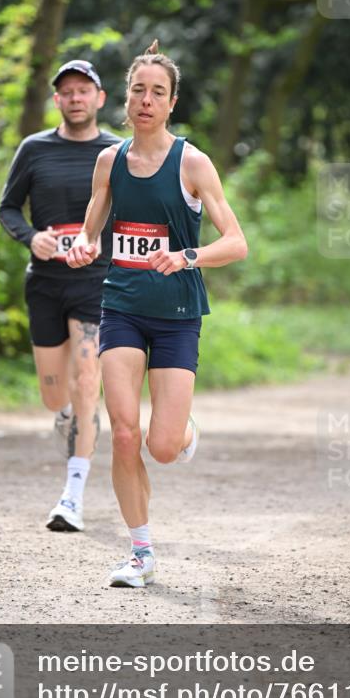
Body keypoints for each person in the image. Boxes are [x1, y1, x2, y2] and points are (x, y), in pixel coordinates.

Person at [65, 40, 247, 587]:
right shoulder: (109, 160)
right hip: (121, 307)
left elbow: (236, 242)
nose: (146, 100)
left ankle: (183, 430)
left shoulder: (192, 162)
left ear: (172, 103)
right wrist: (80, 245)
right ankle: (140, 553)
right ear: (126, 98)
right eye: (138, 90)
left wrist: (187, 254)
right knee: (123, 434)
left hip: (176, 313)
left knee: (160, 447)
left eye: (158, 92)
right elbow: (91, 229)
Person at [0, 59, 121, 530]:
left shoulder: (116, 151)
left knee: (88, 381)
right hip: (46, 282)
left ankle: (72, 495)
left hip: (96, 281)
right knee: (57, 396)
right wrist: (31, 237)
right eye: (66, 91)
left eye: (83, 90)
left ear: (100, 98)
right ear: (57, 100)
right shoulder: (34, 149)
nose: (75, 98)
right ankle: (68, 414)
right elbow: (7, 207)